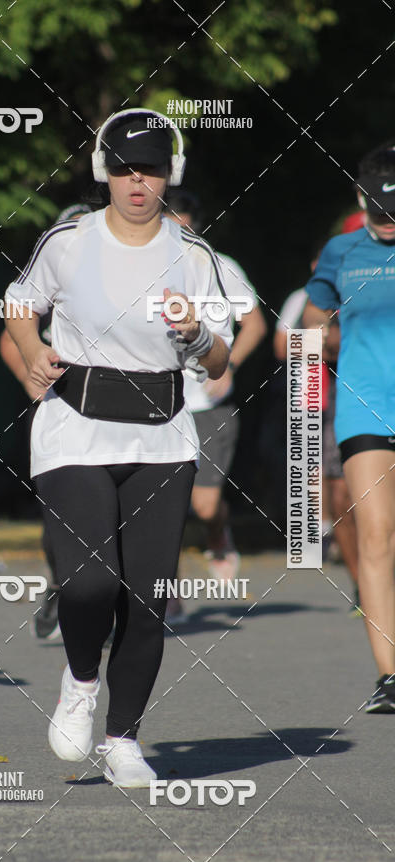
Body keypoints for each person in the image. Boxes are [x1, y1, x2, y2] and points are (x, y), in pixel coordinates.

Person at [4, 108, 232, 787]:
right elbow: (19, 304)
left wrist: (196, 336)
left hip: (163, 437)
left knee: (147, 597)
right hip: (75, 428)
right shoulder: (68, 241)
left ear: (171, 173)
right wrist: (32, 350)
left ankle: (123, 738)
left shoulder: (194, 256)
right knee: (90, 581)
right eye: (126, 169)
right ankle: (80, 680)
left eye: (152, 169)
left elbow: (219, 359)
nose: (138, 182)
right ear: (104, 171)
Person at [304, 140, 395, 713]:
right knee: (376, 534)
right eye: (381, 210)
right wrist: (336, 340)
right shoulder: (341, 251)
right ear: (362, 198)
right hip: (365, 406)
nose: (389, 222)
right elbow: (312, 320)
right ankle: (391, 675)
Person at [165, 190, 266, 604]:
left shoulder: (219, 266)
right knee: (162, 505)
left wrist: (230, 367)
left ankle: (217, 532)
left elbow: (255, 324)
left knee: (204, 505)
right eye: (170, 221)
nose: (178, 231)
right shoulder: (136, 270)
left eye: (185, 223)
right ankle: (166, 594)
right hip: (158, 405)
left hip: (208, 405)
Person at [0, 204, 92, 640]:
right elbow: (9, 337)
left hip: (116, 409)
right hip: (57, 405)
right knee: (60, 515)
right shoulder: (51, 279)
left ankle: (104, 605)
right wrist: (28, 374)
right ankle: (60, 585)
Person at [276, 256, 359, 602]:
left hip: (357, 392)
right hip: (312, 391)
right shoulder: (299, 299)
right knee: (314, 468)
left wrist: (327, 342)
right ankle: (318, 536)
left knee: (342, 479)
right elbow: (282, 347)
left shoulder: (359, 294)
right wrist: (320, 344)